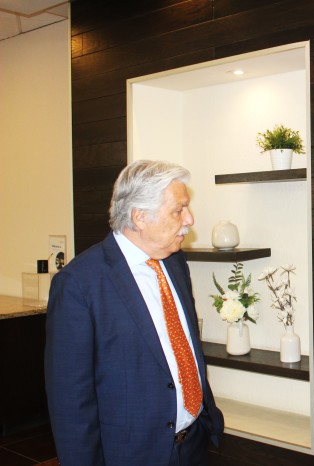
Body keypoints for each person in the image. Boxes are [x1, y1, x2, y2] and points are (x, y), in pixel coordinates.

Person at [45, 160, 224, 465]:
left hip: (193, 443)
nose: (190, 219)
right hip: (131, 454)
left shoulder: (174, 262)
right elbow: (70, 400)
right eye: (178, 210)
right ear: (140, 217)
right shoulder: (79, 284)